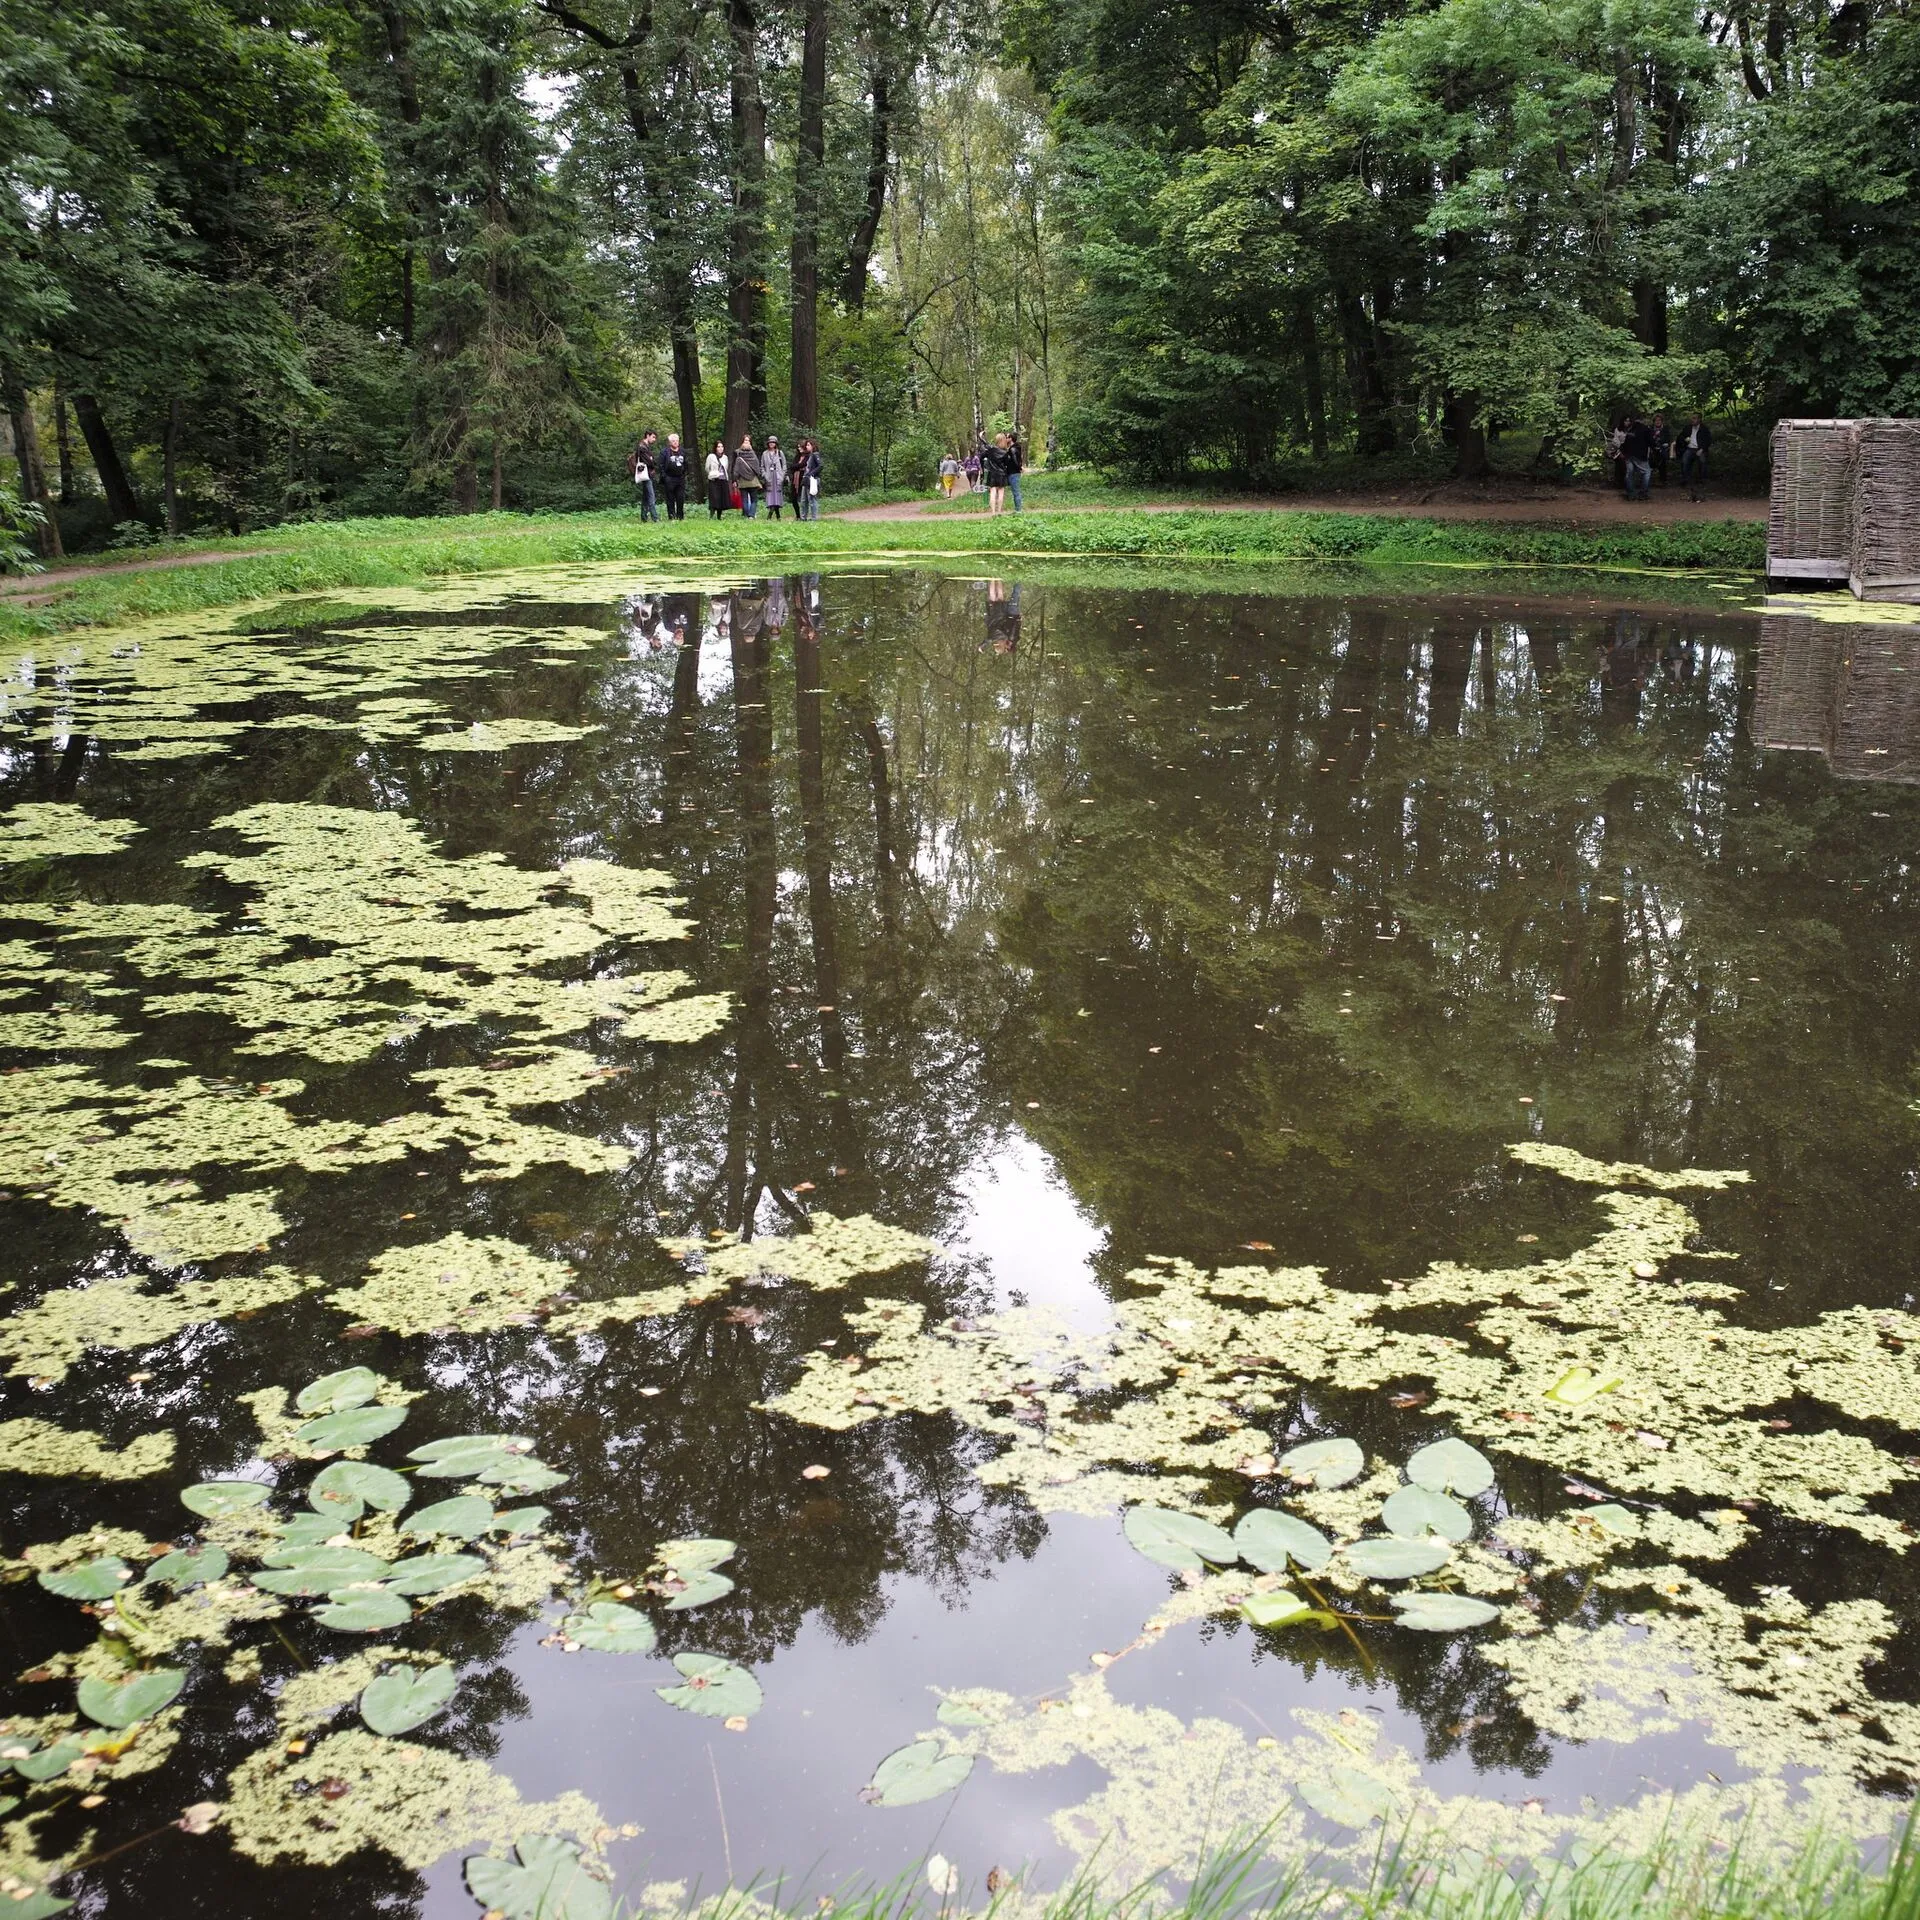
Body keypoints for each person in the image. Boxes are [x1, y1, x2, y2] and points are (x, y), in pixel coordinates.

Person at [1621, 414, 1654, 502]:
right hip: (1640, 455)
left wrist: (1623, 452)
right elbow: (1651, 442)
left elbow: (1625, 442)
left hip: (1628, 454)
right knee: (1647, 472)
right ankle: (1643, 493)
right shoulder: (1646, 429)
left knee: (1629, 473)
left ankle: (1631, 494)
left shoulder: (1630, 429)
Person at [1680, 412, 1711, 500]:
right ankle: (1686, 479)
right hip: (1690, 448)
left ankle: (1702, 479)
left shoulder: (1704, 429)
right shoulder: (1687, 428)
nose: (1692, 420)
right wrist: (1685, 440)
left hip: (1700, 449)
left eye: (1694, 418)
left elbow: (1708, 440)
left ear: (1699, 419)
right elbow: (1681, 437)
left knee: (1702, 461)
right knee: (1684, 461)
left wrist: (1702, 449)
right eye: (1692, 418)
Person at [981, 433, 1014, 516]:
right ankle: (999, 512)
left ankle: (993, 512)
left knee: (992, 492)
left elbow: (985, 448)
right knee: (1001, 492)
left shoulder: (991, 449)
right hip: (1002, 474)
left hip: (992, 474)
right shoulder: (1005, 453)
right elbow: (1007, 464)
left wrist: (981, 436)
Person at [629, 432, 658, 522]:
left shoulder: (644, 447)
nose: (654, 440)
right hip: (646, 474)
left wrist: (651, 459)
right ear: (647, 436)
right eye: (653, 437)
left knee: (646, 496)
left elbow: (651, 459)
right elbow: (650, 461)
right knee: (651, 496)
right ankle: (655, 518)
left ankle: (644, 517)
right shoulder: (642, 447)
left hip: (647, 474)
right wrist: (651, 459)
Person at [659, 433, 689, 519]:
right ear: (669, 442)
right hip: (669, 478)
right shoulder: (664, 452)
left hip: (680, 478)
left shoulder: (682, 452)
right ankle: (671, 516)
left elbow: (686, 464)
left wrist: (684, 474)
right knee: (670, 499)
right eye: (673, 441)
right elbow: (661, 465)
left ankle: (680, 517)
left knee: (680, 498)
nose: (675, 442)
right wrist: (665, 477)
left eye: (677, 441)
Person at [762, 436, 788, 519]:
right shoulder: (765, 453)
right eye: (770, 442)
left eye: (773, 442)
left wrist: (782, 474)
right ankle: (776, 515)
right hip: (769, 477)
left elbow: (784, 464)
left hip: (778, 477)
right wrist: (764, 475)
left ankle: (772, 515)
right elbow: (762, 466)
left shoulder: (780, 453)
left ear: (776, 443)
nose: (771, 444)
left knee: (777, 496)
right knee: (770, 496)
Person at [705, 440, 731, 518]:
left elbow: (726, 468)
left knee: (722, 498)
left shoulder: (725, 457)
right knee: (714, 498)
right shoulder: (711, 456)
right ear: (715, 448)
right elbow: (707, 468)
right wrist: (712, 474)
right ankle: (711, 515)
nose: (720, 448)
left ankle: (719, 516)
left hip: (723, 479)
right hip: (714, 480)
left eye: (722, 446)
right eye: (718, 446)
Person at [1648, 411, 1670, 487]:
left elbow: (1668, 439)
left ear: (1662, 421)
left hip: (1663, 447)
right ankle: (1648, 480)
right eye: (1656, 420)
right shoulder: (1650, 429)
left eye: (1659, 420)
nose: (1658, 422)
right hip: (1652, 448)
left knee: (1662, 458)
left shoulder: (1665, 429)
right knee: (1650, 458)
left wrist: (1661, 442)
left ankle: (1663, 480)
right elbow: (1649, 439)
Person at [1006, 430, 1025, 512]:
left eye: (1006, 437)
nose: (1005, 439)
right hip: (1013, 472)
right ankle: (1017, 509)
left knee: (1016, 491)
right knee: (1015, 491)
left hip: (1013, 472)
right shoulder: (1016, 448)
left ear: (1010, 439)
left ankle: (1018, 510)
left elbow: (1015, 460)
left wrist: (1019, 467)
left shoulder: (1012, 449)